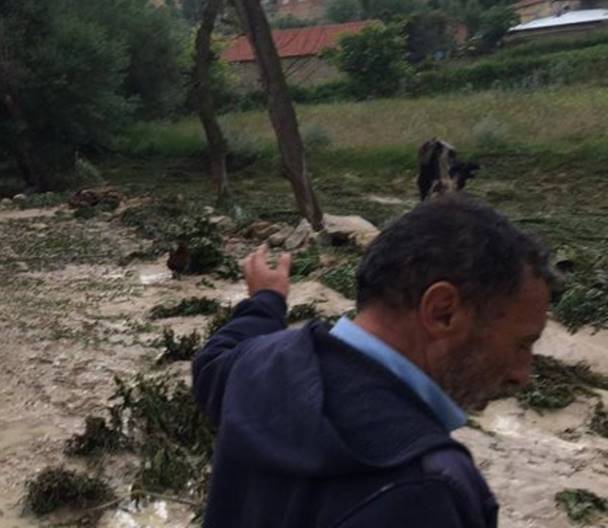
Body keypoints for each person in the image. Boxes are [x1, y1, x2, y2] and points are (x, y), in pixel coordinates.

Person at [192, 195, 555, 528]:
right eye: (523, 345)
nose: (523, 375)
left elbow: (211, 362)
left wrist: (266, 301)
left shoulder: (258, 366)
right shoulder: (429, 488)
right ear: (443, 312)